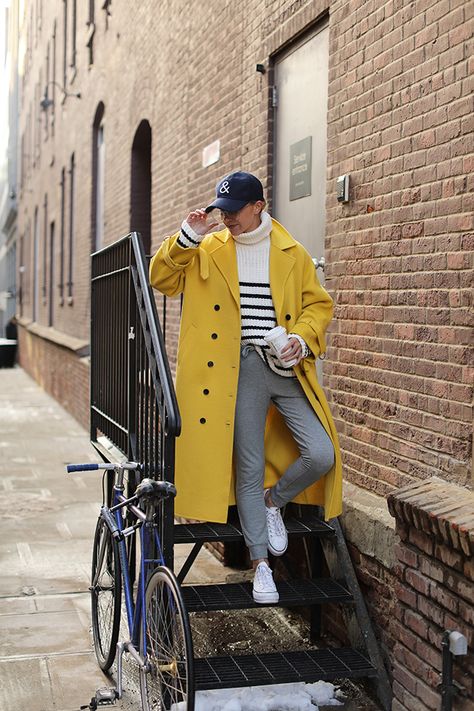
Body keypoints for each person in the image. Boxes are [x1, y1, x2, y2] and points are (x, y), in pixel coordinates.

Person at [150, 171, 342, 603]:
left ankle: (275, 502)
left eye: (234, 210)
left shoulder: (291, 251)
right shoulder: (208, 248)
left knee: (321, 452)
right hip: (235, 371)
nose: (226, 218)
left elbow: (317, 305)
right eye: (221, 210)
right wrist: (187, 236)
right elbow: (162, 280)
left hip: (282, 365)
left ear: (258, 206)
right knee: (249, 466)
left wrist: (301, 339)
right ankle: (261, 567)